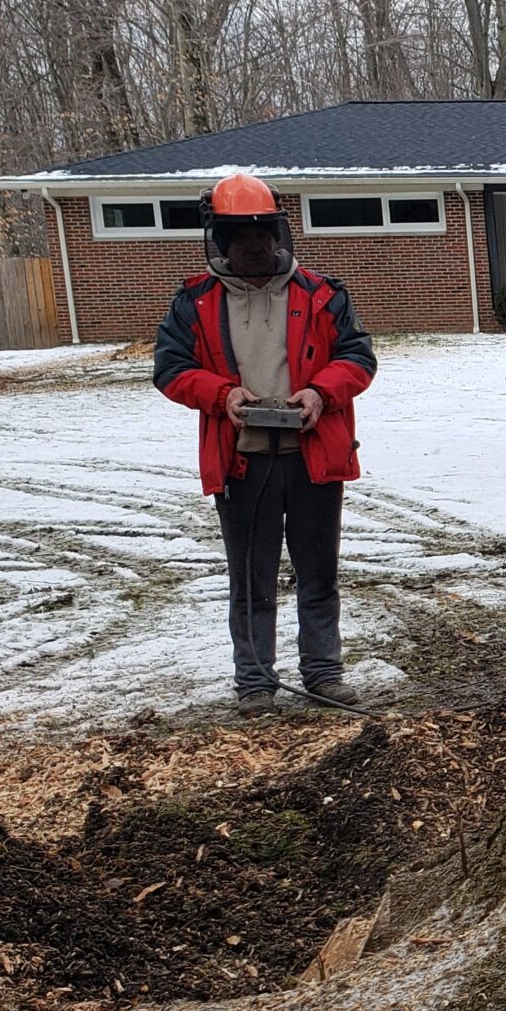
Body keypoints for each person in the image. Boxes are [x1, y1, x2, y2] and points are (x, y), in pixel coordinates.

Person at [152, 173, 378, 713]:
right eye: (240, 235)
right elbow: (171, 369)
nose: (253, 244)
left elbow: (358, 359)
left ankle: (323, 672)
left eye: (262, 233)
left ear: (278, 234)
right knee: (250, 579)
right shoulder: (195, 303)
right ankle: (255, 681)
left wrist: (321, 394)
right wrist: (222, 395)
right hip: (242, 462)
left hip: (313, 457)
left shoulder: (322, 295)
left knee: (318, 573)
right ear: (221, 242)